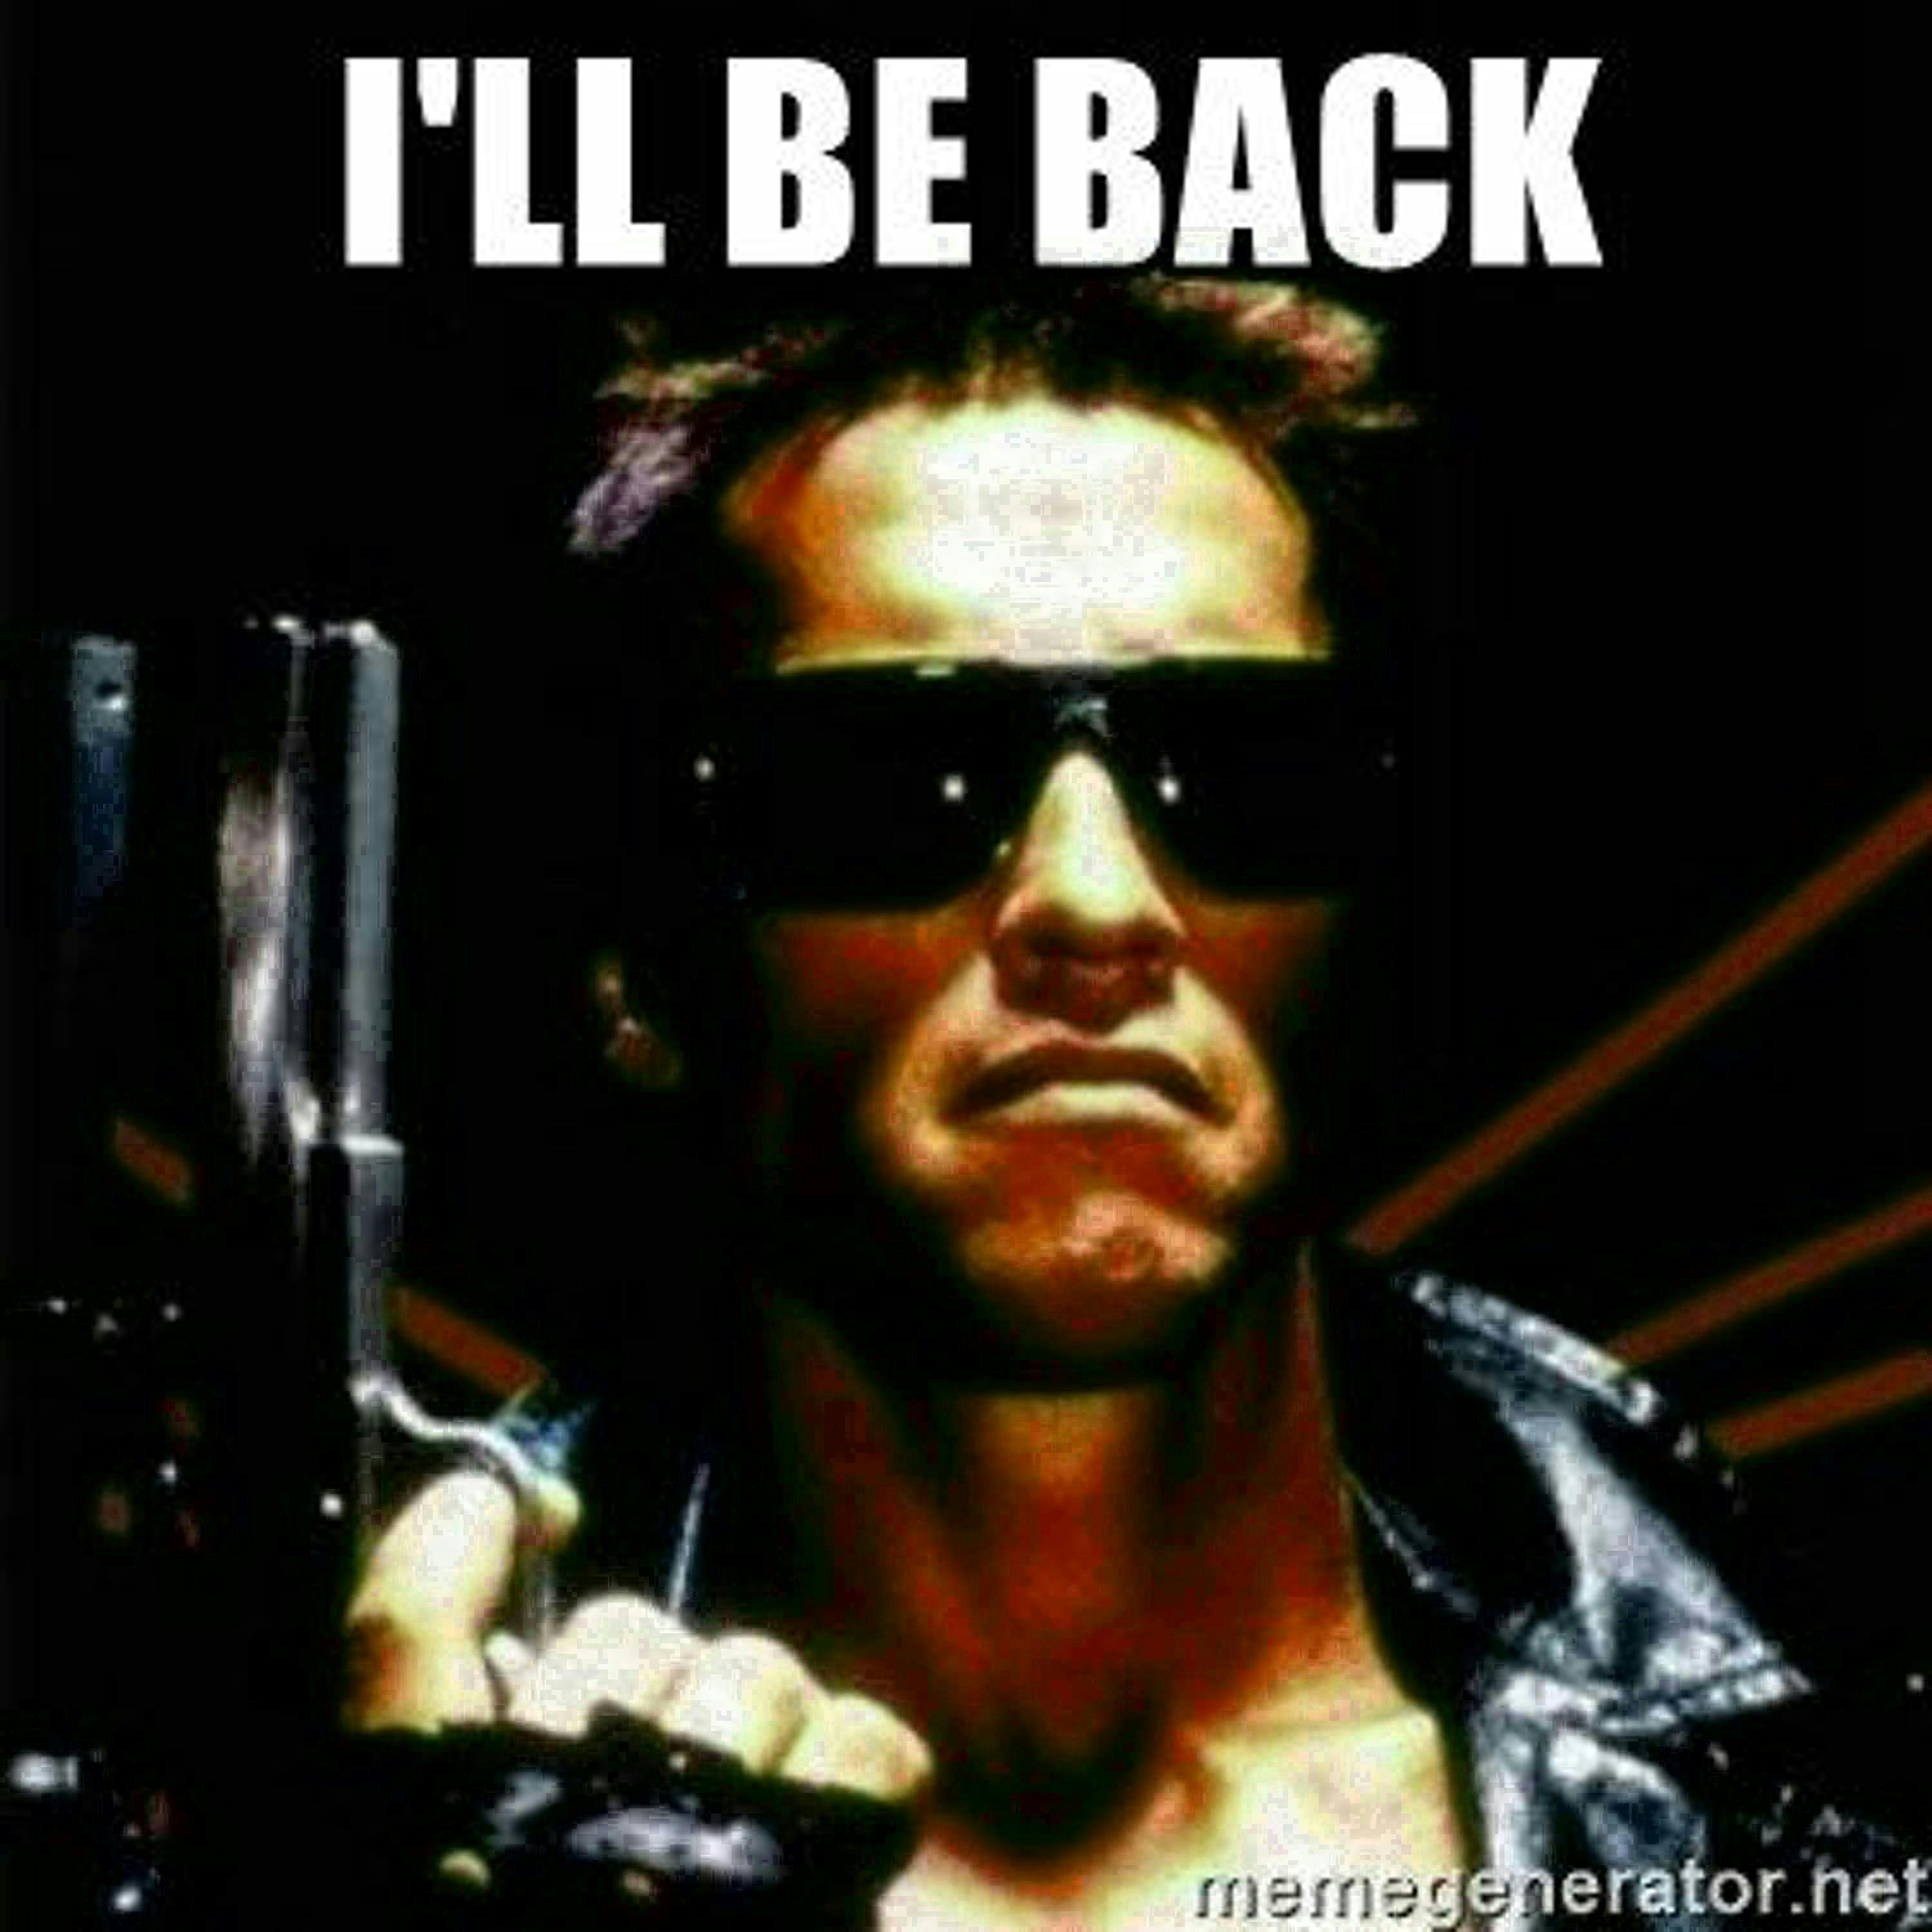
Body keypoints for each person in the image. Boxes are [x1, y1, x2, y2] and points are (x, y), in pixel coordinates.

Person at [345, 278, 1931, 1928]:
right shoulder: (403, 1817)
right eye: (887, 774)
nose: (1098, 906)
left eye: (1250, 766)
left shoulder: (1792, 1806)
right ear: (642, 972)